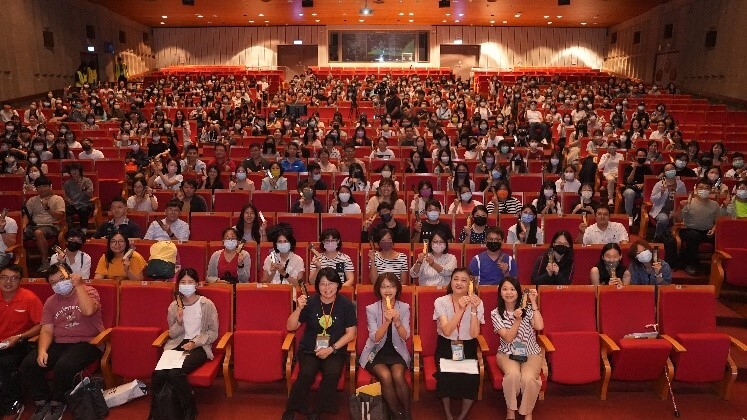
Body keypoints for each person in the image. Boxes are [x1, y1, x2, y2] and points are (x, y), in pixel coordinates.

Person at [20, 267, 103, 420]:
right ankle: (42, 401)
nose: (58, 284)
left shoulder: (89, 291)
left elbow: (89, 310)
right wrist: (42, 350)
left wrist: (78, 286)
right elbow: (46, 330)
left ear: (71, 277)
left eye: (61, 280)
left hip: (88, 342)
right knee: (29, 363)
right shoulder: (51, 301)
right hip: (60, 343)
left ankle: (58, 402)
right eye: (53, 283)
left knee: (64, 366)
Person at [282, 268, 356, 420]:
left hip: (334, 349)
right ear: (317, 286)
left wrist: (332, 349)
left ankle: (318, 410)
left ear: (338, 285)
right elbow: (290, 326)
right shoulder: (310, 302)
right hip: (310, 349)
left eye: (331, 284)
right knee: (307, 373)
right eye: (323, 284)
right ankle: (291, 409)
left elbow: (351, 333)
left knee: (332, 374)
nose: (327, 288)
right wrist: (299, 308)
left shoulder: (346, 304)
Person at [149, 268, 218, 420]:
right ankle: (155, 413)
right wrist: (179, 322)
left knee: (175, 373)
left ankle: (189, 408)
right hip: (177, 344)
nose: (186, 285)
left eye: (190, 282)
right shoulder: (174, 306)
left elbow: (213, 333)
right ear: (178, 285)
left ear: (197, 284)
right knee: (158, 374)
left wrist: (195, 342)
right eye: (183, 282)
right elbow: (172, 334)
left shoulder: (207, 304)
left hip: (198, 346)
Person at [433, 268, 484, 420]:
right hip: (446, 345)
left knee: (471, 379)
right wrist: (461, 309)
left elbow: (475, 334)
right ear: (450, 281)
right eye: (456, 279)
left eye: (464, 280)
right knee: (446, 376)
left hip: (467, 346)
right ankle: (448, 414)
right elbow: (447, 330)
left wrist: (473, 309)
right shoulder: (441, 302)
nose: (459, 283)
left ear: (470, 284)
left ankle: (462, 416)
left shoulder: (478, 303)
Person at [359, 273, 411, 419]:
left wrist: (397, 321)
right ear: (379, 289)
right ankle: (397, 414)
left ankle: (407, 414)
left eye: (392, 286)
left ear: (397, 289)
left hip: (397, 351)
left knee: (398, 375)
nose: (388, 290)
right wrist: (387, 322)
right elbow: (374, 338)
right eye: (384, 287)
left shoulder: (404, 307)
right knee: (385, 376)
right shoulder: (372, 309)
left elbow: (405, 336)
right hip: (376, 352)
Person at [492, 278, 543, 420]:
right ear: (500, 292)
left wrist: (533, 302)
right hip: (507, 353)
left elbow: (539, 326)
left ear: (518, 292)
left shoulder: (527, 309)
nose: (509, 293)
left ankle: (527, 412)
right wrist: (517, 320)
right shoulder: (496, 313)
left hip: (531, 352)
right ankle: (510, 411)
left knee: (528, 379)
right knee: (512, 375)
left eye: (512, 289)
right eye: (505, 289)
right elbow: (508, 338)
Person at [0, 264, 42, 418]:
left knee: (4, 364)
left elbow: (41, 324)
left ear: (20, 281)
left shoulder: (29, 298)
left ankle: (14, 404)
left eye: (13, 278)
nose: (8, 282)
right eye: (4, 277)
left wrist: (19, 337)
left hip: (20, 342)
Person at [678, 180, 726, 275]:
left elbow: (718, 221)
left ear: (711, 190)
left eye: (706, 188)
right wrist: (681, 207)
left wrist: (713, 229)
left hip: (707, 231)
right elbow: (677, 219)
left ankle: (717, 265)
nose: (703, 190)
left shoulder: (714, 205)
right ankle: (691, 264)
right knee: (693, 236)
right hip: (689, 230)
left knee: (721, 237)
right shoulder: (689, 202)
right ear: (696, 189)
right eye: (701, 188)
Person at [24, 176, 65, 273]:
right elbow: (26, 215)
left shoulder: (57, 199)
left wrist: (48, 209)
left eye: (45, 186)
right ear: (36, 188)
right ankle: (18, 260)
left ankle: (45, 261)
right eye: (40, 187)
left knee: (38, 232)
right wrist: (23, 225)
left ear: (50, 187)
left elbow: (60, 216)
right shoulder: (32, 200)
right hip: (34, 225)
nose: (42, 189)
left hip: (51, 225)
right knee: (18, 232)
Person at [649, 163, 687, 241]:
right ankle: (657, 237)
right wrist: (661, 193)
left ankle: (673, 238)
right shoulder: (659, 184)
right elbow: (652, 199)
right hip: (661, 210)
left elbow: (683, 199)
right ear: (664, 172)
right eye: (667, 170)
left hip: (676, 210)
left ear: (675, 170)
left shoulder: (681, 184)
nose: (670, 171)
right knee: (663, 219)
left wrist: (676, 212)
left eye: (672, 169)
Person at [622, 148, 653, 226]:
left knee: (648, 197)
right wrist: (634, 169)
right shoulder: (629, 168)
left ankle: (640, 216)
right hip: (630, 188)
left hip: (642, 190)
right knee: (630, 193)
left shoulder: (647, 169)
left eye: (643, 156)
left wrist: (643, 184)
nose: (641, 157)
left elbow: (650, 181)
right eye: (639, 156)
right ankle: (629, 216)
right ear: (636, 157)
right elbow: (628, 181)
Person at [61, 163, 93, 232]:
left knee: (83, 210)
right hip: (72, 204)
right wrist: (69, 201)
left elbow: (90, 194)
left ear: (80, 171)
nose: (74, 172)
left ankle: (83, 231)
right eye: (72, 170)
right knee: (65, 211)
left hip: (84, 203)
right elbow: (65, 195)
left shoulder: (87, 181)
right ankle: (70, 230)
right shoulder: (67, 183)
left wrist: (83, 189)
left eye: (76, 170)